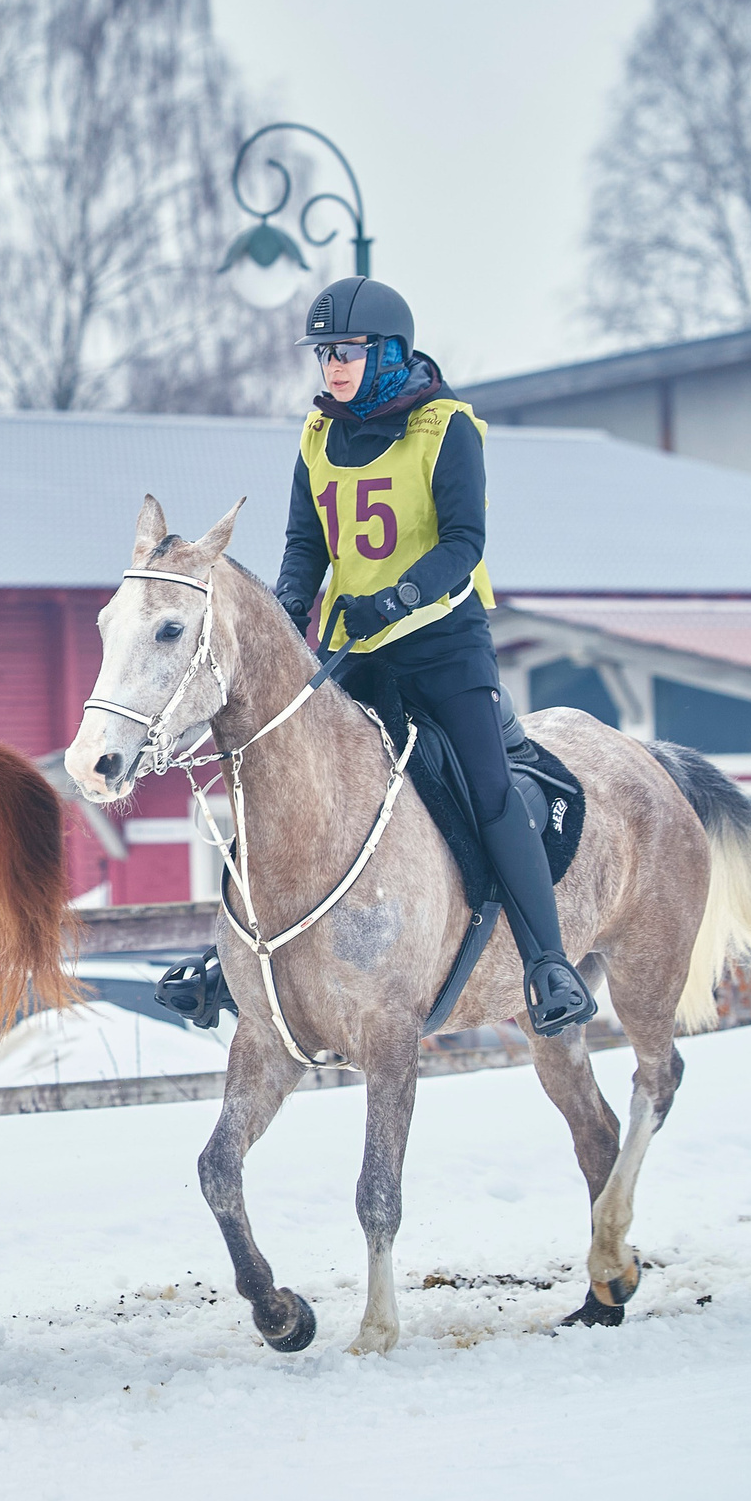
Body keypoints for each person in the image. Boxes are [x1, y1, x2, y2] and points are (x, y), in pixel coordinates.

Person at [272, 276, 596, 1037]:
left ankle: (549, 965)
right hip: (356, 649)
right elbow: (304, 545)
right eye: (325, 354)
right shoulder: (317, 437)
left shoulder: (447, 427)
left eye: (346, 351)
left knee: (486, 791)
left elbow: (464, 543)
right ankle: (236, 963)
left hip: (443, 646)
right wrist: (289, 609)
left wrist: (398, 598)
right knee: (291, 780)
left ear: (387, 352)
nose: (333, 368)